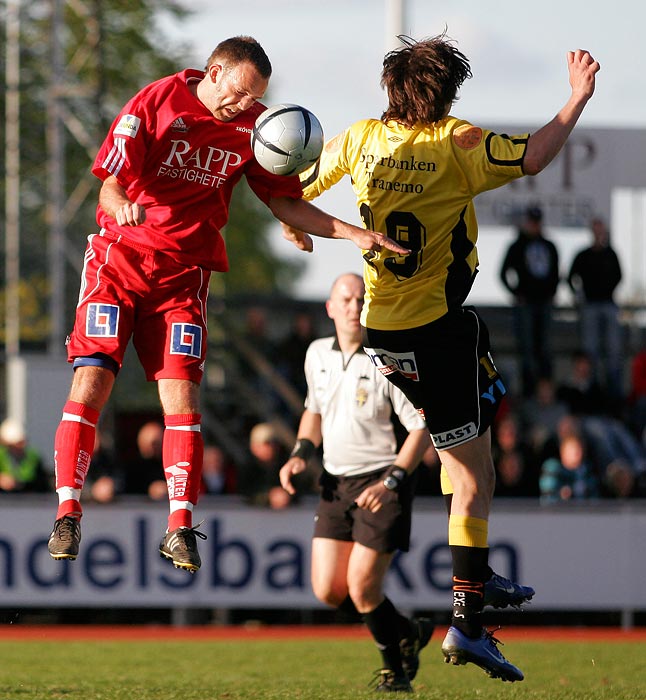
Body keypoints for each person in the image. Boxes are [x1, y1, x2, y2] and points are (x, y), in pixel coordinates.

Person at [283, 34, 599, 682]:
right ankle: (468, 622)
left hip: (387, 335)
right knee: (475, 477)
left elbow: (296, 190)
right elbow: (536, 157)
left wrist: (295, 221)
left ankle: (476, 578)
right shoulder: (454, 143)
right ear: (447, 92)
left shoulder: (365, 137)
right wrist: (576, 98)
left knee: (475, 434)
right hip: (437, 334)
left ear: (391, 88)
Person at [45, 35, 406, 573]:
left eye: (253, 96)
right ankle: (68, 512)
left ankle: (180, 525)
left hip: (183, 278)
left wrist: (353, 235)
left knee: (184, 402)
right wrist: (121, 204)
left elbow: (285, 200)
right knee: (91, 381)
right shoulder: (155, 103)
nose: (244, 105)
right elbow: (109, 186)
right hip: (119, 262)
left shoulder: (260, 127)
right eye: (238, 93)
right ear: (213, 73)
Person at [279, 273, 434, 692]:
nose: (353, 305)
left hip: (381, 480)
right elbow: (314, 410)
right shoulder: (316, 354)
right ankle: (407, 632)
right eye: (345, 299)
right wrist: (299, 455)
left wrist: (394, 480)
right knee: (328, 591)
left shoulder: (387, 357)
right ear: (330, 307)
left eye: (360, 298)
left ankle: (394, 671)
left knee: (363, 588)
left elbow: (421, 426)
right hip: (334, 481)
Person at [500, 205, 560, 396]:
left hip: (544, 303)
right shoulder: (517, 246)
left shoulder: (549, 246)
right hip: (526, 304)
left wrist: (551, 293)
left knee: (544, 348)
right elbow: (503, 273)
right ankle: (529, 392)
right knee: (527, 349)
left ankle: (545, 392)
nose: (534, 226)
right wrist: (517, 293)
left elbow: (556, 273)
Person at [567, 217, 623, 398]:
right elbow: (570, 277)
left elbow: (619, 276)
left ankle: (614, 392)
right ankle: (591, 390)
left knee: (613, 351)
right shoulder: (584, 255)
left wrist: (609, 290)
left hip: (608, 303)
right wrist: (578, 295)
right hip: (590, 305)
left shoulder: (611, 254)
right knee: (590, 352)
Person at [0, 418, 50, 493]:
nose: (19, 447)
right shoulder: (2, 456)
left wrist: (20, 484)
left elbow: (42, 483)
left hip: (28, 500)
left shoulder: (33, 457)